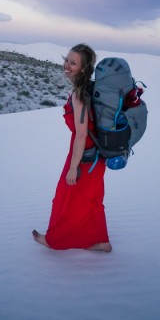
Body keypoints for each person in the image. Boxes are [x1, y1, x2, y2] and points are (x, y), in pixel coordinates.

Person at [32, 43, 112, 252]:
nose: (67, 65)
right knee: (90, 198)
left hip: (84, 156)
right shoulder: (88, 89)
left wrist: (73, 167)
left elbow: (82, 133)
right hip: (95, 155)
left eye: (73, 62)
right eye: (67, 59)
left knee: (67, 197)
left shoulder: (80, 94)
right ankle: (100, 241)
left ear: (84, 68)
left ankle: (55, 240)